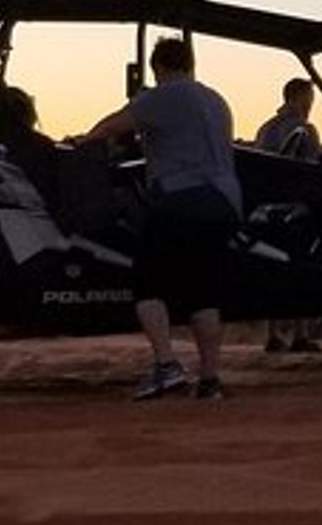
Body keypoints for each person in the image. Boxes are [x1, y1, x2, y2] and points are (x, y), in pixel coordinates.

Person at [83, 36, 242, 401]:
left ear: (158, 69)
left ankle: (167, 366)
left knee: (146, 283)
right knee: (204, 292)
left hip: (181, 200)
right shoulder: (215, 100)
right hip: (224, 202)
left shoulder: (163, 95)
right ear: (191, 63)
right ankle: (210, 380)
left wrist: (85, 144)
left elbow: (112, 126)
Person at [254, 77, 322, 353]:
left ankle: (272, 334)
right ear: (298, 97)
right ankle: (300, 333)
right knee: (300, 268)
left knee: (273, 268)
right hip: (295, 209)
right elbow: (313, 172)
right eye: (309, 98)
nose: (311, 104)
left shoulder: (265, 129)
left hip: (265, 210)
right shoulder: (305, 130)